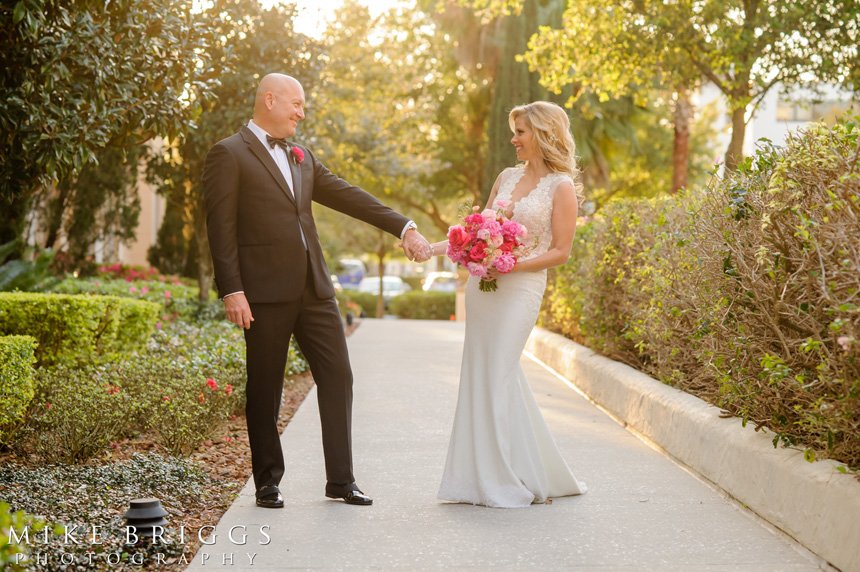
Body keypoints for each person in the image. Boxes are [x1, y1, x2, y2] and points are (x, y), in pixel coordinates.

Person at [202, 73, 431, 508]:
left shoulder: (301, 156)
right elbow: (221, 229)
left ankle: (341, 481)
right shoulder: (228, 154)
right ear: (269, 99)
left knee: (338, 376)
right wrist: (232, 290)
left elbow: (347, 195)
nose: (301, 112)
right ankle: (267, 481)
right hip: (263, 293)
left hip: (316, 290)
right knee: (265, 386)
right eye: (296, 104)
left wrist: (403, 225)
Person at [429, 101, 587, 508]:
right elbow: (472, 233)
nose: (513, 140)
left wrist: (512, 263)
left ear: (543, 134)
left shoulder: (561, 187)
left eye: (520, 132)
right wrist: (431, 248)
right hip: (484, 292)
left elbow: (561, 251)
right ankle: (508, 473)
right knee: (485, 375)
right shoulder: (505, 177)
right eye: (513, 131)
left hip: (521, 289)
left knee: (498, 371)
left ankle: (502, 478)